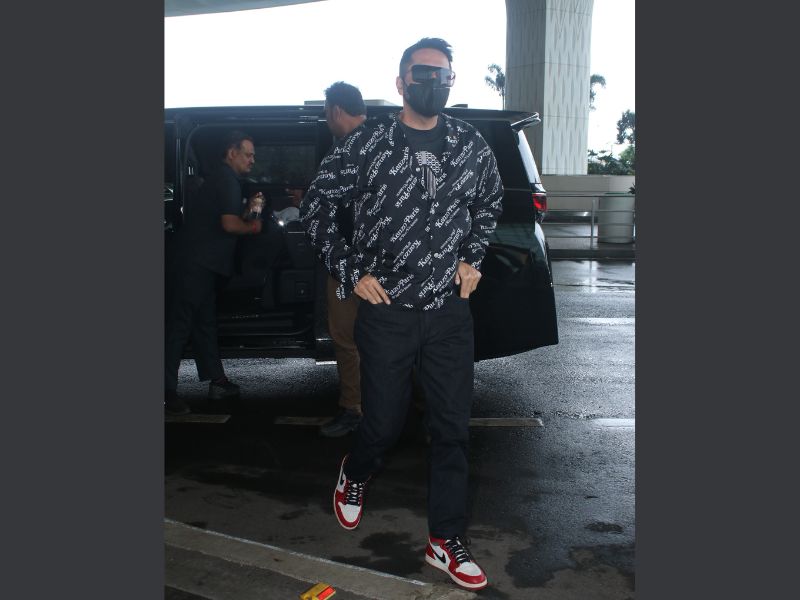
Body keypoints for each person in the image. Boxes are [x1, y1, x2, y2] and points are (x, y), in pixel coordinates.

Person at [300, 38, 503, 591]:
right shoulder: (368, 143)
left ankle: (445, 539)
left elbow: (489, 203)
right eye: (423, 74)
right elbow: (316, 205)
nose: (433, 83)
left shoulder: (469, 143)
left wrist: (472, 256)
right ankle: (356, 471)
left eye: (443, 76)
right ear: (401, 82)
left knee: (452, 428)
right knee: (383, 424)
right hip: (386, 310)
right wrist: (349, 270)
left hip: (448, 312)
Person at [165, 130, 264, 416]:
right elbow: (230, 225)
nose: (252, 160)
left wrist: (251, 211)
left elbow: (228, 218)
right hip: (195, 266)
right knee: (178, 328)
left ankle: (218, 382)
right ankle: (166, 392)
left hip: (202, 266)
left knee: (204, 324)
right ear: (232, 153)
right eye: (248, 154)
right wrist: (254, 226)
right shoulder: (226, 179)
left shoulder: (224, 179)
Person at [317, 81, 367, 438]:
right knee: (396, 337)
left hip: (349, 264)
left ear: (336, 110)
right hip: (393, 264)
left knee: (346, 337)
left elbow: (330, 210)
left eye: (325, 113)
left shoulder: (345, 152)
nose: (326, 120)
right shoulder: (391, 141)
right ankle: (411, 407)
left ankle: (354, 409)